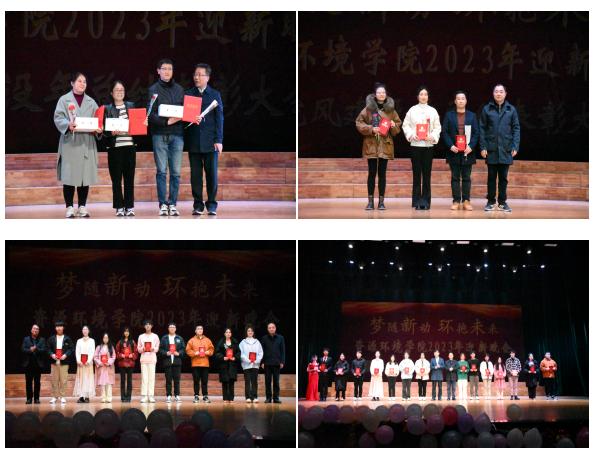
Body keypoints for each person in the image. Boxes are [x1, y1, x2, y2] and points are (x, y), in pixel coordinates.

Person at [53, 72, 101, 218]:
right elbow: (58, 117)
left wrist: (99, 128)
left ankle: (82, 206)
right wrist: (68, 124)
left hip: (87, 142)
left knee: (84, 176)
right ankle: (69, 207)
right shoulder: (64, 100)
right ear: (72, 83)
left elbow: (98, 120)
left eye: (84, 81)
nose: (82, 84)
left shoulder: (91, 102)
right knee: (69, 176)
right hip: (70, 142)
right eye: (79, 81)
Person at [146, 58, 185, 216]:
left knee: (175, 172)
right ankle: (163, 204)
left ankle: (173, 203)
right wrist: (166, 121)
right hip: (159, 134)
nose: (167, 71)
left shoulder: (180, 89)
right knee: (161, 171)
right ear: (158, 71)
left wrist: (186, 115)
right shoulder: (153, 90)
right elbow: (150, 115)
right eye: (164, 68)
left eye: (170, 69)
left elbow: (185, 110)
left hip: (177, 135)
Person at [184, 63, 224, 216]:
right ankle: (198, 205)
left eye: (200, 75)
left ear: (207, 77)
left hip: (210, 142)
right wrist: (190, 119)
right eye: (195, 74)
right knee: (195, 176)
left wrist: (219, 140)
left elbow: (219, 119)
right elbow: (184, 119)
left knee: (211, 175)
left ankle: (212, 204)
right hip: (194, 141)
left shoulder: (215, 94)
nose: (197, 77)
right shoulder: (189, 94)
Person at [355, 82, 402, 210]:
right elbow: (359, 123)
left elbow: (397, 127)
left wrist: (393, 125)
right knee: (371, 173)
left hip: (385, 144)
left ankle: (381, 202)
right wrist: (371, 129)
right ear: (375, 94)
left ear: (386, 94)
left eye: (383, 92)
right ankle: (370, 202)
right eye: (379, 92)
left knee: (382, 174)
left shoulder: (391, 110)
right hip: (371, 144)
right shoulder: (368, 109)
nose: (381, 94)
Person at [479, 84, 521, 213]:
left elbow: (516, 128)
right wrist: (483, 146)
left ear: (505, 94)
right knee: (491, 177)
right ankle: (491, 201)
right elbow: (482, 129)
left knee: (503, 178)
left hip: (506, 149)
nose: (498, 93)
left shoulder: (511, 109)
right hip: (491, 149)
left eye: (501, 91)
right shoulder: (487, 109)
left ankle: (502, 202)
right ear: (493, 94)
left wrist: (515, 146)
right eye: (496, 91)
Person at [101, 80, 138, 216]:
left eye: (122, 90)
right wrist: (110, 132)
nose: (120, 92)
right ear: (111, 93)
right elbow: (103, 131)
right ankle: (119, 207)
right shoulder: (107, 109)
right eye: (117, 90)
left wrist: (142, 123)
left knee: (129, 179)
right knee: (116, 179)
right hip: (115, 148)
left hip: (129, 147)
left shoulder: (131, 106)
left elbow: (137, 125)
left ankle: (129, 206)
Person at [402, 85, 441, 210]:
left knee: (427, 174)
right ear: (417, 96)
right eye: (421, 94)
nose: (423, 96)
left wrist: (432, 136)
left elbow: (437, 127)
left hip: (428, 146)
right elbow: (405, 125)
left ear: (428, 97)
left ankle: (426, 201)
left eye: (425, 94)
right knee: (417, 174)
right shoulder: (412, 110)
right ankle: (417, 201)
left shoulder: (433, 111)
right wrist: (411, 135)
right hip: (416, 146)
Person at [441, 90, 479, 210]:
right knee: (455, 177)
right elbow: (444, 132)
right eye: (458, 99)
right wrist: (450, 146)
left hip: (468, 151)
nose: (461, 101)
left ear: (466, 101)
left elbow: (476, 133)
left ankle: (466, 201)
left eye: (463, 98)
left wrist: (471, 146)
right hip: (454, 150)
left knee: (467, 177)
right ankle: (456, 200)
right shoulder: (449, 115)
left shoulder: (472, 116)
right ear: (455, 101)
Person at [186, 325, 215, 403]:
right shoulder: (191, 340)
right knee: (196, 381)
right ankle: (196, 396)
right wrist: (194, 353)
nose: (200, 330)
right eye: (198, 329)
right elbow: (188, 350)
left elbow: (212, 349)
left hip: (205, 364)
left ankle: (205, 396)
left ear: (203, 330)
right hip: (195, 364)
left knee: (204, 381)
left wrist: (208, 352)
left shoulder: (207, 340)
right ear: (195, 331)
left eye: (201, 329)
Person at [47, 321, 74, 404]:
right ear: (55, 328)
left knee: (63, 380)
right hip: (54, 362)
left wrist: (66, 355)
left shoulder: (67, 338)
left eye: (60, 326)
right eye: (57, 326)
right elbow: (48, 348)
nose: (59, 328)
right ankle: (55, 397)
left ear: (63, 328)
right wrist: (52, 354)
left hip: (64, 362)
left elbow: (71, 348)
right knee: (54, 380)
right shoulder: (51, 338)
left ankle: (62, 396)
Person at [159, 322, 185, 403]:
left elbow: (183, 349)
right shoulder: (164, 338)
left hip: (177, 361)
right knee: (168, 380)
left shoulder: (179, 338)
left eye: (173, 327)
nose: (172, 328)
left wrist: (179, 353)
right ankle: (169, 395)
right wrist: (166, 353)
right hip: (167, 361)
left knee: (177, 380)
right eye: (170, 327)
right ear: (168, 329)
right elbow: (160, 349)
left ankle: (177, 395)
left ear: (175, 329)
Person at [260, 322, 285, 404]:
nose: (271, 329)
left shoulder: (280, 338)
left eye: (273, 327)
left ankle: (276, 398)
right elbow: (261, 351)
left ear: (275, 328)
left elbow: (283, 351)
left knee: (276, 382)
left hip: (277, 363)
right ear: (267, 329)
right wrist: (262, 362)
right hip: (267, 363)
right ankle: (268, 398)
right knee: (267, 381)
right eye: (269, 328)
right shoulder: (264, 338)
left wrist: (282, 361)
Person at [21, 324, 46, 404]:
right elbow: (23, 349)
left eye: (37, 329)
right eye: (34, 328)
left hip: (38, 364)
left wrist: (36, 349)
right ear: (31, 330)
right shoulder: (26, 339)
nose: (35, 330)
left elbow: (44, 350)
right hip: (28, 364)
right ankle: (29, 399)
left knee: (37, 383)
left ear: (38, 331)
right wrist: (30, 350)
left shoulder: (42, 340)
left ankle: (36, 399)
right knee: (28, 382)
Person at [239, 325, 263, 403]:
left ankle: (255, 397)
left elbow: (260, 353)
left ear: (253, 332)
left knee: (254, 381)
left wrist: (256, 360)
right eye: (248, 331)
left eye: (251, 331)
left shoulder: (257, 342)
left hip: (255, 365)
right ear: (246, 332)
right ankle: (248, 397)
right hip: (246, 365)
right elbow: (241, 353)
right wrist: (248, 360)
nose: (250, 332)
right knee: (247, 381)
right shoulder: (243, 342)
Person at [137, 319, 160, 403]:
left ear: (151, 326)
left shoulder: (155, 336)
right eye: (146, 324)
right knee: (144, 378)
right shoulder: (141, 336)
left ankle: (151, 395)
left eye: (149, 324)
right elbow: (138, 348)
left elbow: (157, 347)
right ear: (144, 326)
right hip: (144, 359)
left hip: (152, 359)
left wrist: (153, 349)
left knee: (151, 378)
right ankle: (144, 396)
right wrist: (142, 349)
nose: (148, 326)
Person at [215, 328, 240, 403]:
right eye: (227, 332)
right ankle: (225, 398)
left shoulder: (235, 342)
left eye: (229, 332)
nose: (228, 333)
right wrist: (223, 357)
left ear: (231, 334)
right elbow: (217, 353)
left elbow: (239, 352)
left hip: (232, 364)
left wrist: (235, 358)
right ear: (224, 334)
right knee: (225, 382)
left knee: (231, 381)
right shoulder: (221, 342)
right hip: (224, 364)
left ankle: (231, 398)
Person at [73, 325, 95, 403]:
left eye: (86, 329)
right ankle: (81, 396)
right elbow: (77, 351)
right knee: (81, 379)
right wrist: (79, 361)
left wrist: (88, 361)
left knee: (87, 379)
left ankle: (87, 396)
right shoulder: (79, 341)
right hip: (81, 364)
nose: (85, 331)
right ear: (82, 331)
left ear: (88, 331)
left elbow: (92, 351)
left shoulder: (92, 341)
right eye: (83, 329)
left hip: (88, 364)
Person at [115, 327, 137, 402]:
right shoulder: (120, 342)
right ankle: (123, 397)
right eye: (125, 331)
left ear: (129, 333)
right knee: (122, 381)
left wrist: (132, 355)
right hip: (122, 364)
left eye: (127, 331)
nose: (126, 333)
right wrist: (121, 355)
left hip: (130, 364)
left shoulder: (132, 342)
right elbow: (116, 352)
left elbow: (136, 352)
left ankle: (128, 397)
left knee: (129, 381)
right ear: (123, 333)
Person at [94, 332, 116, 403]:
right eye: (104, 338)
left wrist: (109, 362)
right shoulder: (99, 347)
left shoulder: (111, 347)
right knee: (102, 383)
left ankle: (109, 398)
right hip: (102, 367)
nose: (105, 339)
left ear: (108, 339)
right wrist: (100, 363)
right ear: (102, 338)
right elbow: (95, 357)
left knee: (109, 383)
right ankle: (103, 398)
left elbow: (114, 356)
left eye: (107, 338)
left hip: (108, 367)